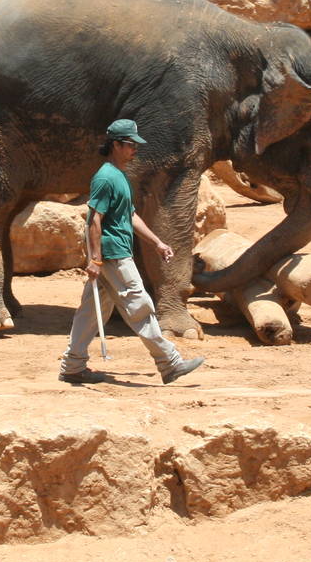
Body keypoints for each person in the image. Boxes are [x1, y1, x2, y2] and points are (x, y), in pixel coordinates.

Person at [60, 118, 205, 386]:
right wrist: (94, 258)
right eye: (129, 145)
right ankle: (170, 363)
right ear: (116, 145)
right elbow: (94, 219)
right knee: (140, 306)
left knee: (91, 312)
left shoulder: (119, 176)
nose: (134, 149)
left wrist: (157, 243)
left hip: (112, 253)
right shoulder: (105, 177)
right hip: (113, 254)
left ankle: (72, 366)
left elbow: (130, 215)